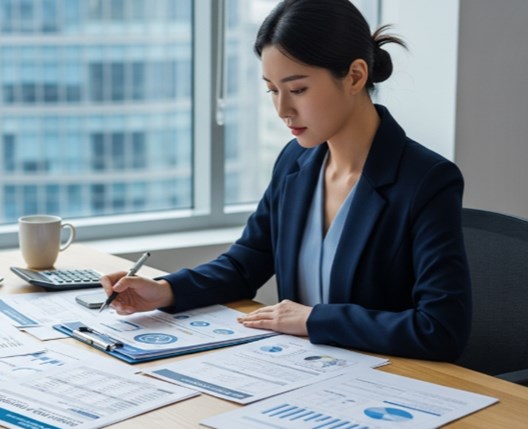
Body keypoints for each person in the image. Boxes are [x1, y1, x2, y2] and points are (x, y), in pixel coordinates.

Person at [100, 0, 471, 362]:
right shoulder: (296, 161)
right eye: (272, 90)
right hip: (299, 372)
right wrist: (164, 291)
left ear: (356, 76)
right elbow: (246, 264)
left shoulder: (426, 180)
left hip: (390, 388)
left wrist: (313, 319)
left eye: (297, 90)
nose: (282, 110)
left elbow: (440, 330)